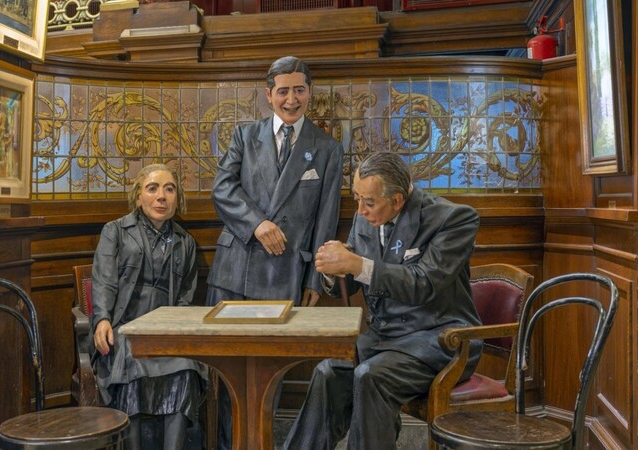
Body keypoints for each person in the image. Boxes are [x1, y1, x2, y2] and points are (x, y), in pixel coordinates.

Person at [283, 152, 483, 450]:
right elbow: (352, 281)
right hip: (384, 339)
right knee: (327, 374)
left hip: (438, 340)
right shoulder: (367, 216)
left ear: (398, 200)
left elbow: (423, 283)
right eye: (356, 198)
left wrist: (355, 264)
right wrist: (331, 268)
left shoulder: (453, 219)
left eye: (369, 202)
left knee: (369, 377)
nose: (360, 209)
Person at [206, 56, 344, 449]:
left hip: (285, 277)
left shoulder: (328, 148)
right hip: (234, 273)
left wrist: (317, 277)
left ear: (309, 94)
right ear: (269, 95)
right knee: (226, 377)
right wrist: (257, 224)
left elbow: (326, 219)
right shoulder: (244, 136)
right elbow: (222, 190)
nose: (291, 98)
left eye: (299, 89)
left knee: (269, 378)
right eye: (283, 90)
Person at [90, 163, 208, 450]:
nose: (161, 196)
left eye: (170, 189)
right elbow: (103, 280)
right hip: (123, 331)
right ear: (138, 196)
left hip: (166, 334)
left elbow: (184, 300)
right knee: (132, 359)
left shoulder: (185, 242)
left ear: (177, 198)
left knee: (186, 366)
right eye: (152, 188)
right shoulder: (115, 231)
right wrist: (102, 319)